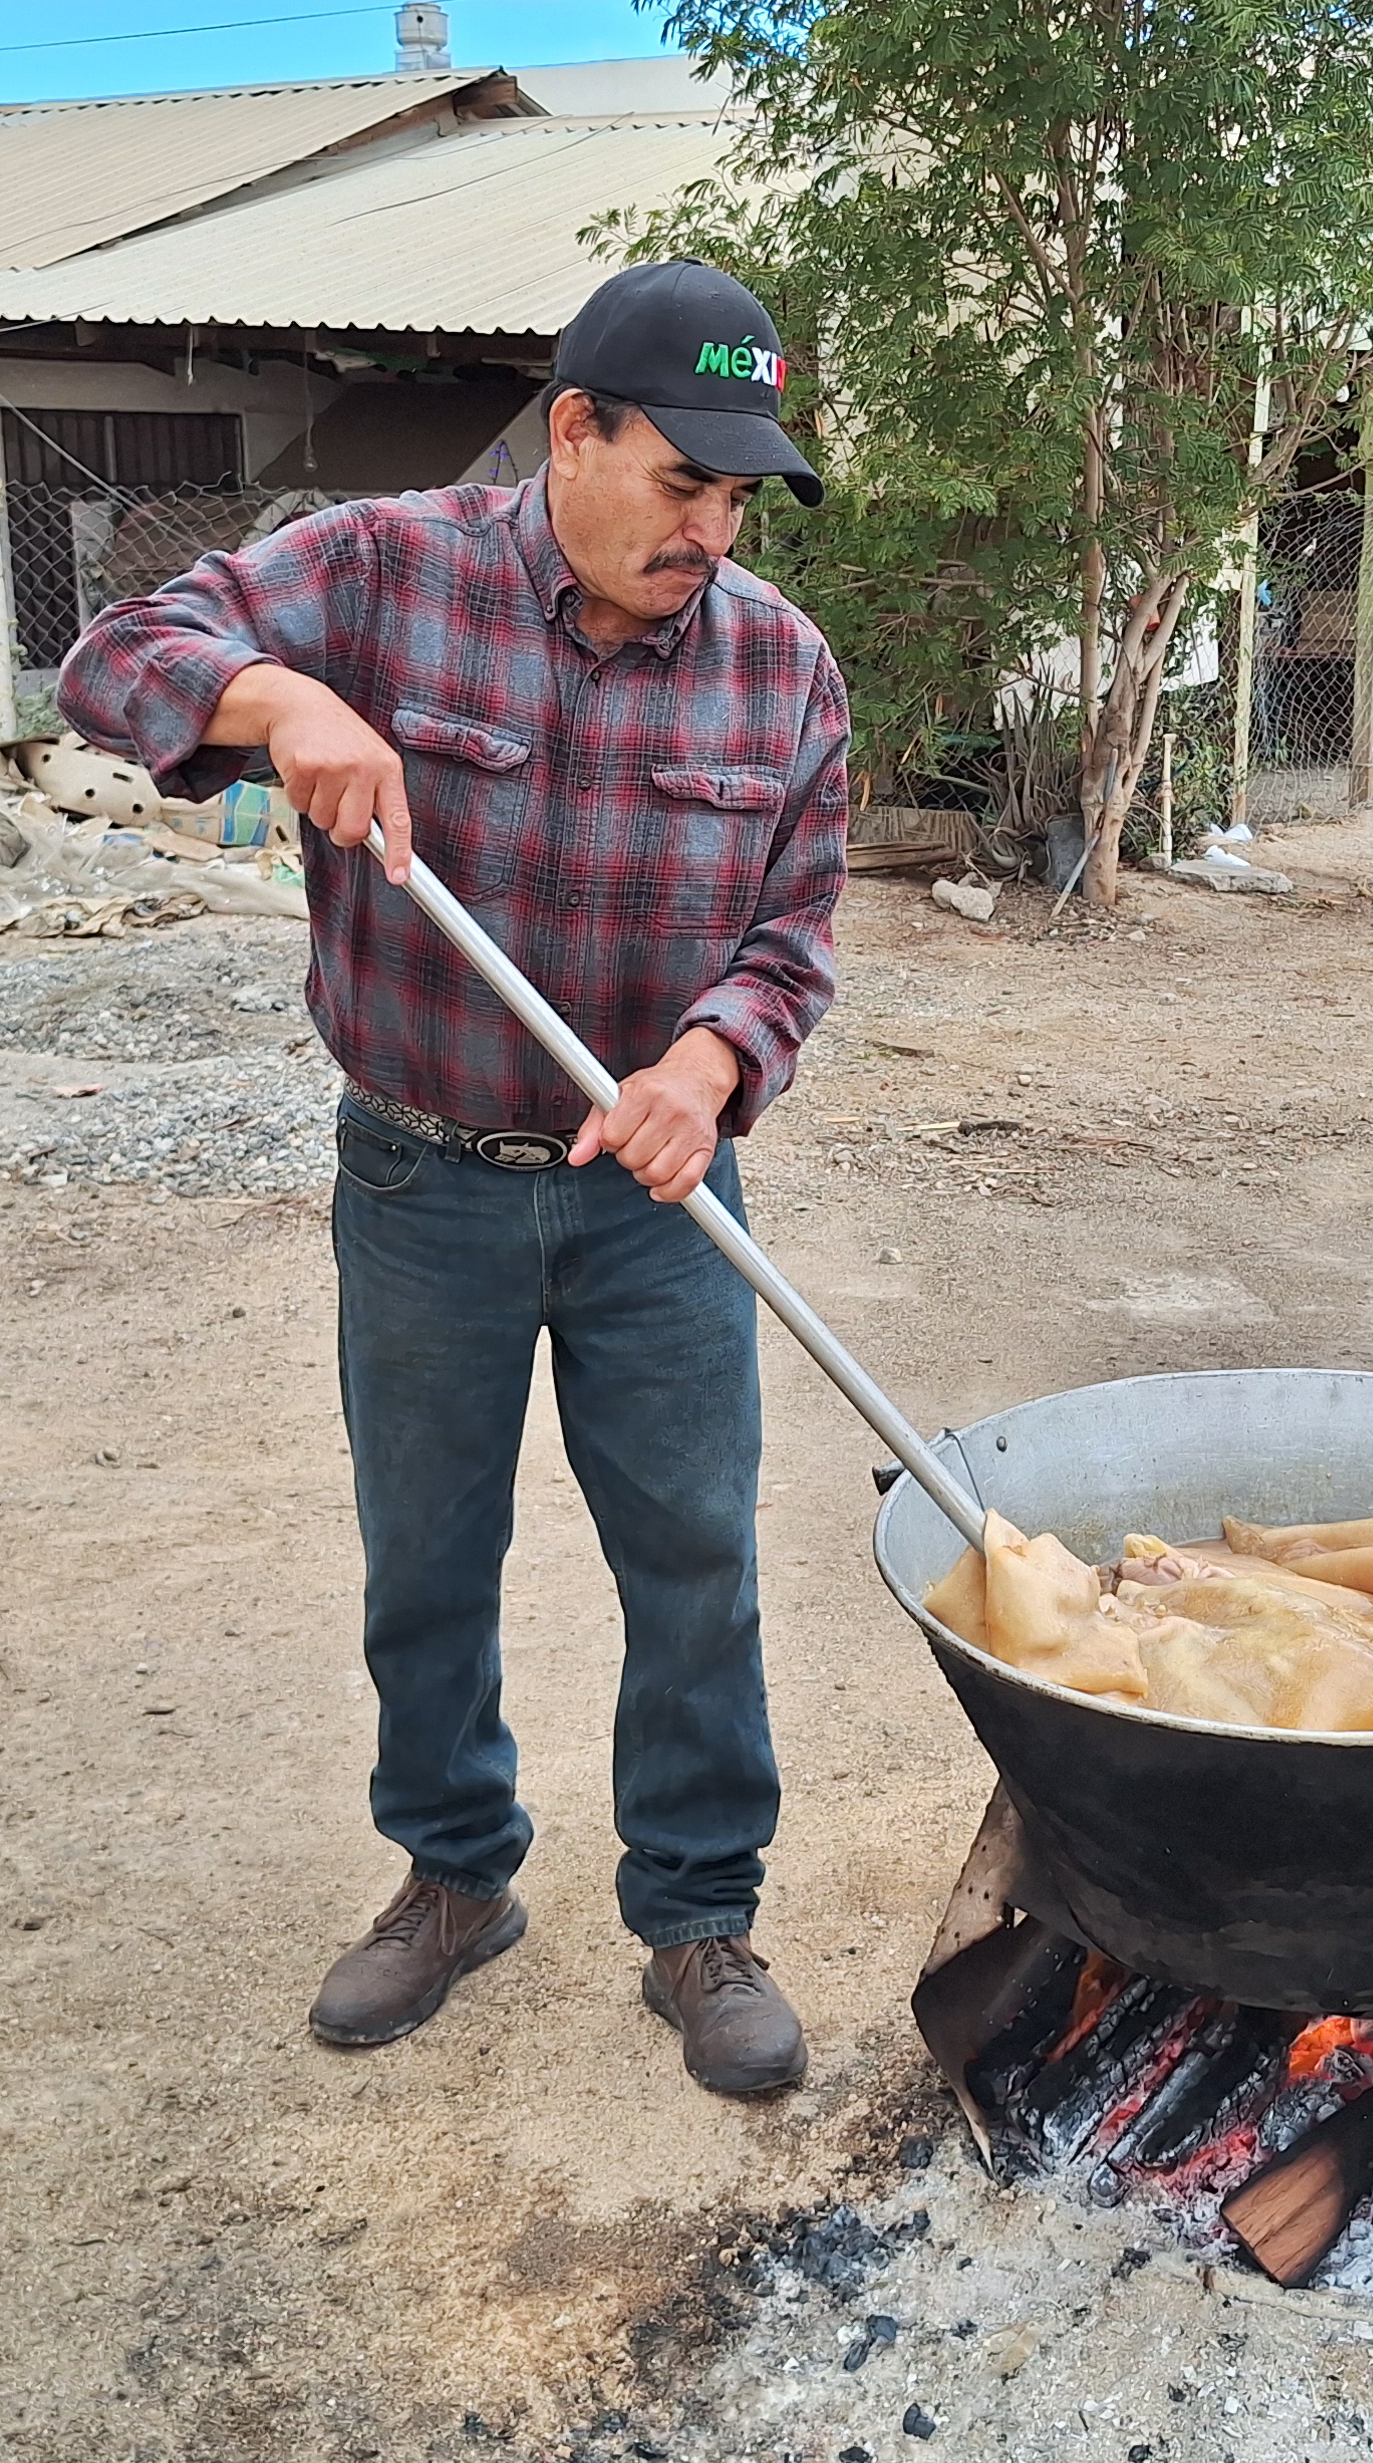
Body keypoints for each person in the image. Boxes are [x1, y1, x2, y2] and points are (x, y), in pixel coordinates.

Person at [55, 262, 850, 2097]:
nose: (711, 534)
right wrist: (274, 700)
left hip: (660, 1199)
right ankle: (454, 1876)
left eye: (740, 497)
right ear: (573, 431)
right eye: (682, 482)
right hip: (424, 1179)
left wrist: (709, 1064)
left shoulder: (778, 663)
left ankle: (700, 1912)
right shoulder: (380, 574)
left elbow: (795, 935)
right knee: (427, 1554)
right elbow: (114, 657)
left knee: (697, 1558)